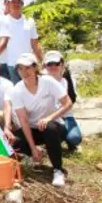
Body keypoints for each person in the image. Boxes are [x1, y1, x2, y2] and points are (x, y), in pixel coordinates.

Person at [9, 53, 73, 187]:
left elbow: (67, 103)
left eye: (28, 67)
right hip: (33, 128)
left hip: (54, 126)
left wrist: (49, 118)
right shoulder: (17, 90)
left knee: (50, 128)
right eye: (20, 68)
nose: (24, 72)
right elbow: (23, 120)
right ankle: (34, 155)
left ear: (35, 67)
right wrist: (33, 148)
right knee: (14, 142)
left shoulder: (48, 81)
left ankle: (58, 169)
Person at [43, 50, 82, 151]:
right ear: (45, 66)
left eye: (56, 63)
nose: (53, 67)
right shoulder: (41, 81)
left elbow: (72, 99)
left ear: (62, 64)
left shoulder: (67, 80)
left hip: (66, 116)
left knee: (75, 138)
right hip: (49, 118)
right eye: (50, 64)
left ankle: (68, 136)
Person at [2, 0, 42, 84]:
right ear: (9, 4)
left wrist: (41, 61)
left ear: (22, 4)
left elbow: (35, 43)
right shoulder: (2, 21)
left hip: (29, 63)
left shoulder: (30, 21)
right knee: (17, 89)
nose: (16, 4)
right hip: (12, 65)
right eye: (13, 2)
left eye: (18, 2)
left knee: (33, 87)